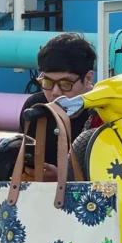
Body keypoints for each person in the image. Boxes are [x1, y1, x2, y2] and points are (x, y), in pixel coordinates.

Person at [19, 33, 100, 180]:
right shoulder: (35, 106)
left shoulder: (103, 111)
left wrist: (64, 178)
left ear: (88, 78)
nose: (55, 93)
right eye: (48, 82)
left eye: (65, 84)